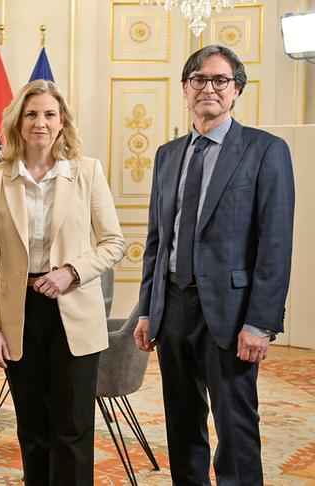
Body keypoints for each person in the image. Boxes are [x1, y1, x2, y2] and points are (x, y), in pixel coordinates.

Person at [134, 45, 294, 485]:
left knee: (235, 427)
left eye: (220, 80)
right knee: (182, 425)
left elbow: (275, 244)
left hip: (232, 314)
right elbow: (157, 240)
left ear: (236, 90)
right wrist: (148, 309)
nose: (209, 88)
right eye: (198, 79)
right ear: (185, 90)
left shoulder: (265, 150)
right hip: (172, 311)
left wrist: (260, 323)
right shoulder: (168, 155)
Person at [0, 79, 125, 485]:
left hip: (74, 311)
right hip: (19, 314)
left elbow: (114, 243)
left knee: (73, 430)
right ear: (18, 122)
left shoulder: (87, 171)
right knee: (33, 430)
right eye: (31, 114)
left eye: (49, 114)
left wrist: (71, 272)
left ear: (62, 123)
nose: (40, 122)